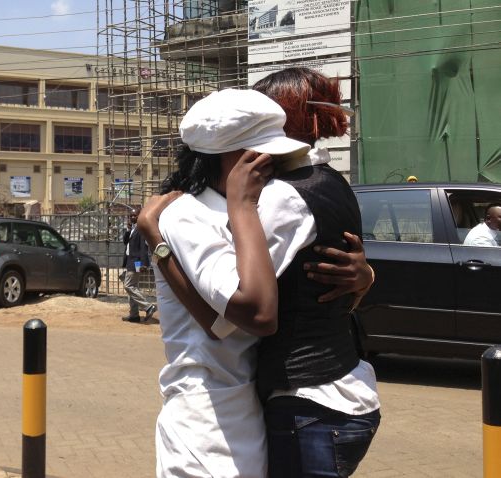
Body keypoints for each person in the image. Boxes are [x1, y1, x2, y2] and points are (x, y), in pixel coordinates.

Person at [140, 76, 378, 477]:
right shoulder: (188, 215)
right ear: (230, 158)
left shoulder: (248, 208)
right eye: (260, 155)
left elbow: (308, 264)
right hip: (205, 421)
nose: (272, 164)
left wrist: (366, 274)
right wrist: (158, 241)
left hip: (252, 410)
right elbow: (232, 319)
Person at [119, 207, 156, 323]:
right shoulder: (133, 229)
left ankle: (148, 307)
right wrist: (128, 229)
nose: (132, 217)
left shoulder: (141, 230)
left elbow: (143, 248)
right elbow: (125, 241)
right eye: (131, 216)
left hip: (136, 262)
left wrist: (144, 264)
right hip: (130, 261)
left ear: (139, 216)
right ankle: (134, 315)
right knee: (132, 288)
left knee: (129, 286)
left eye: (134, 215)